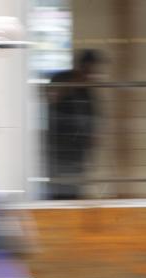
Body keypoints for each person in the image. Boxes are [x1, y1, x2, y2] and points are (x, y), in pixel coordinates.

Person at [46, 49, 104, 200]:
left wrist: (93, 136)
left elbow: (93, 115)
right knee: (59, 187)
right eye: (90, 68)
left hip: (78, 149)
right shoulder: (62, 78)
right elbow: (51, 97)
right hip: (59, 147)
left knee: (75, 187)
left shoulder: (87, 90)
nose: (92, 73)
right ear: (83, 66)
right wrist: (73, 83)